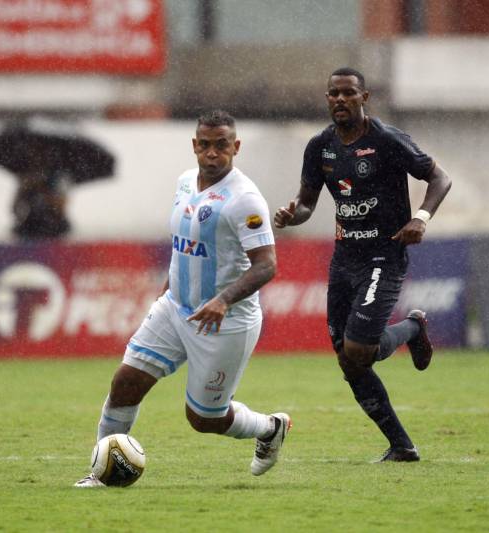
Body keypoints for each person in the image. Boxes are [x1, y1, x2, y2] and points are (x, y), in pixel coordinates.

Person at [75, 110, 290, 487]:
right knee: (125, 383)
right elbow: (184, 247)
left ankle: (269, 428)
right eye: (204, 145)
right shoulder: (185, 182)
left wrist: (223, 299)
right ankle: (101, 472)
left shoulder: (245, 200)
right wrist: (165, 294)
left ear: (235, 147)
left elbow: (266, 266)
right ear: (194, 146)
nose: (212, 153)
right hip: (175, 308)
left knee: (204, 419)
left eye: (221, 145)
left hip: (226, 322)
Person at [273, 67, 452, 462]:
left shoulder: (386, 140)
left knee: (359, 349)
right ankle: (402, 446)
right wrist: (292, 214)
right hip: (344, 260)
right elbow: (307, 202)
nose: (339, 99)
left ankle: (412, 328)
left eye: (348, 93)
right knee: (348, 360)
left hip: (382, 257)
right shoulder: (320, 147)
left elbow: (439, 178)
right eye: (333, 93)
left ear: (364, 97)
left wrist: (420, 218)